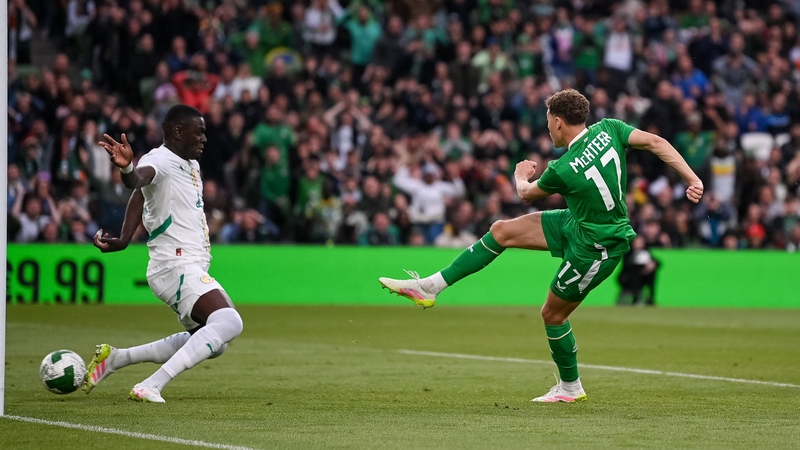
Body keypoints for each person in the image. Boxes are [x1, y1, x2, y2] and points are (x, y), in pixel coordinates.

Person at [379, 89, 703, 403]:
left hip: (597, 246)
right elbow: (656, 142)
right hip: (578, 222)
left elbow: (524, 193)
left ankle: (570, 387)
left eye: (548, 119)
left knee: (552, 314)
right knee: (502, 231)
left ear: (559, 121)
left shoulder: (563, 169)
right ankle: (430, 286)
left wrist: (520, 173)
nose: (547, 127)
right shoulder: (611, 129)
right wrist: (693, 178)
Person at [83, 104, 244, 403]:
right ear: (178, 132)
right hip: (175, 263)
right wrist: (127, 168)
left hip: (187, 264)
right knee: (230, 322)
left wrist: (124, 238)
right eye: (200, 132)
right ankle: (151, 385)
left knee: (214, 340)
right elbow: (137, 181)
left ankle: (115, 359)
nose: (205, 139)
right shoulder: (160, 159)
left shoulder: (191, 164)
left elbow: (140, 194)